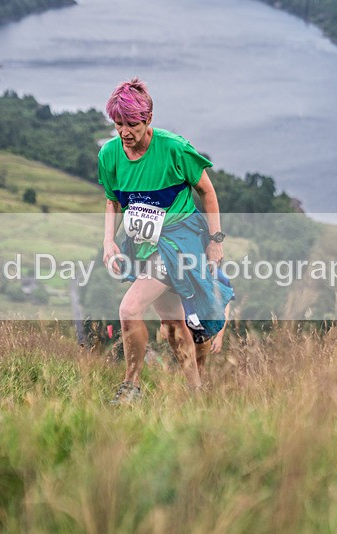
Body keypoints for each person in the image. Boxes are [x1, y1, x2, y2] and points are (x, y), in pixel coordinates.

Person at [99, 78, 233, 404]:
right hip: (143, 244)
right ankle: (197, 392)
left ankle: (131, 387)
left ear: (148, 119)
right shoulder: (109, 155)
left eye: (132, 124)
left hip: (178, 241)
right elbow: (112, 201)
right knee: (172, 323)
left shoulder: (174, 149)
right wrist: (108, 241)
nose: (125, 132)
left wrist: (215, 240)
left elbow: (207, 191)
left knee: (129, 309)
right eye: (118, 124)